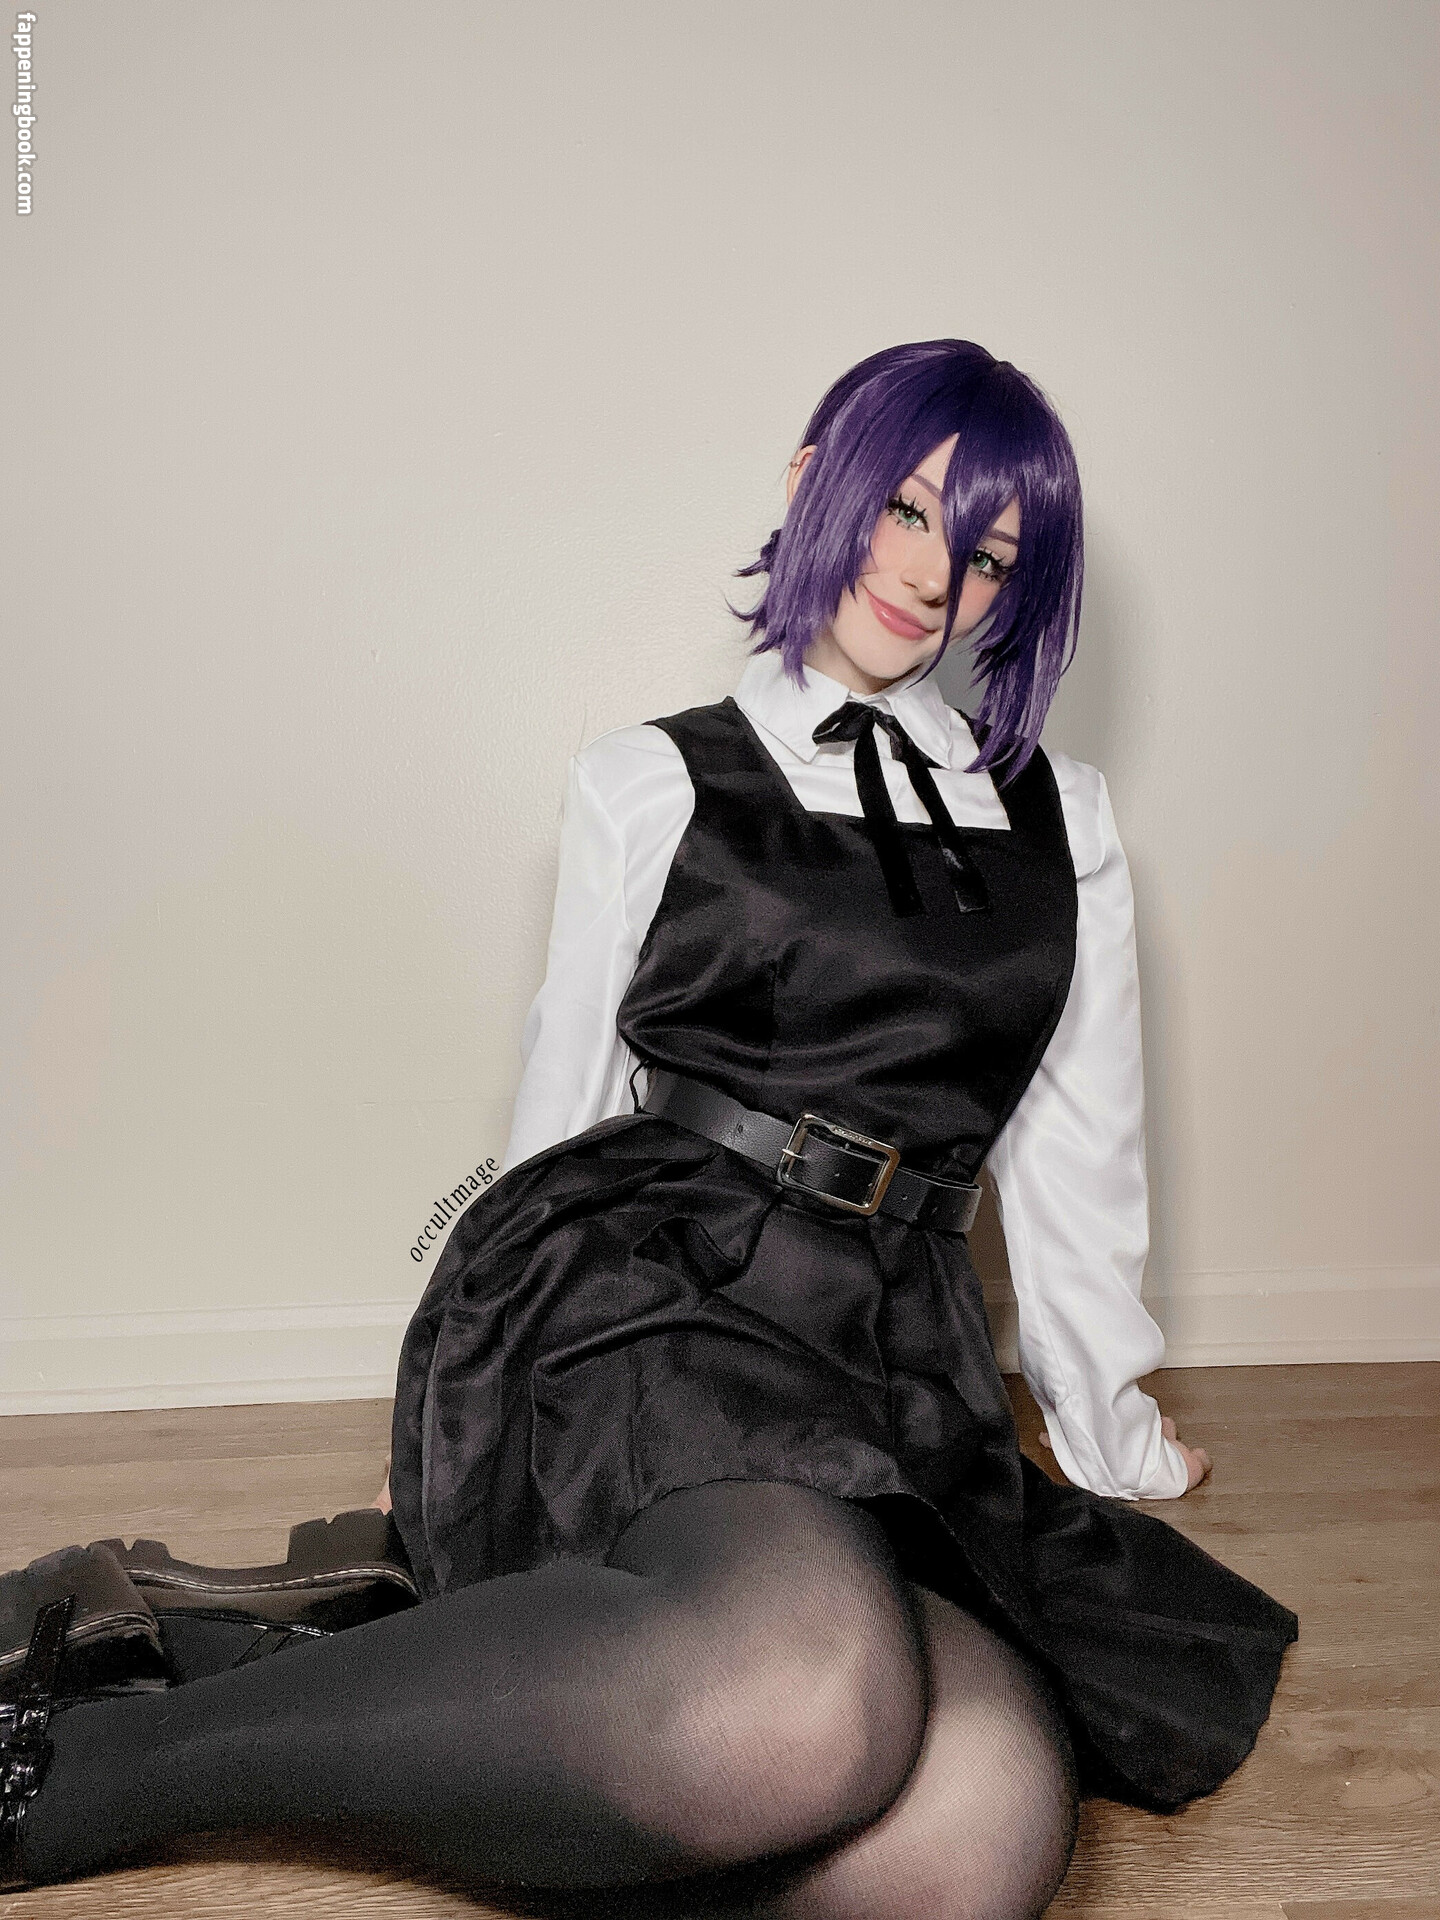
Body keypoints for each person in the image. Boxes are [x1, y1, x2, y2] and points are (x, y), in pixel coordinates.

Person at [1, 340, 1298, 1918]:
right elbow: (561, 1110)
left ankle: (408, 1674)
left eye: (983, 556)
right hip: (662, 1296)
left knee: (982, 1839)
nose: (925, 576)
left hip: (893, 1354)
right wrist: (469, 1408)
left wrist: (1114, 1431)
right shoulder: (654, 779)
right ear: (813, 480)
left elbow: (1075, 1160)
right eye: (902, 509)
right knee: (805, 1691)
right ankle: (73, 1781)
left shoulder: (1062, 825)